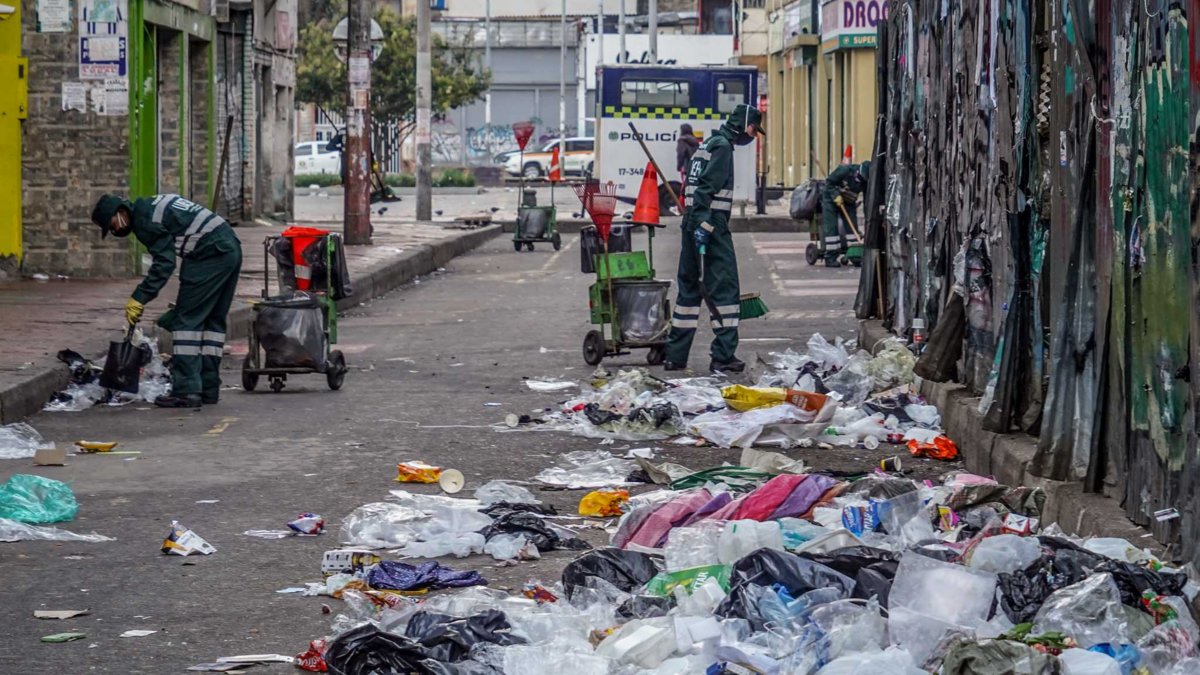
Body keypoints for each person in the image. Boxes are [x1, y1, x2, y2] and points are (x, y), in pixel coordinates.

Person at [91, 193, 243, 408]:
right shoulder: (149, 205)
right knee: (212, 322)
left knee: (185, 323)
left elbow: (165, 263)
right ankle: (209, 388)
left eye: (112, 224)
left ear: (120, 212)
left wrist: (139, 297)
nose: (115, 230)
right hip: (229, 248)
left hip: (208, 254)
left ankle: (187, 390)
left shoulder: (144, 220)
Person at [663, 103, 765, 374]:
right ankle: (723, 355)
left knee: (689, 290)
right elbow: (707, 188)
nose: (753, 136)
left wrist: (696, 221)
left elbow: (694, 188)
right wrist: (706, 224)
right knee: (725, 289)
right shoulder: (722, 148)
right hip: (711, 225)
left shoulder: (707, 144)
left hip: (690, 223)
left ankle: (675, 355)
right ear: (745, 124)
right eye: (754, 130)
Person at [819, 161, 870, 267]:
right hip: (830, 200)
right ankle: (830, 257)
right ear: (858, 171)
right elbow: (829, 183)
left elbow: (867, 198)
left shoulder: (867, 180)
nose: (860, 181)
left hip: (848, 201)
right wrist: (835, 195)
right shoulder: (845, 170)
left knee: (852, 229)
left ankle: (855, 255)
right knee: (831, 229)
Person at [675, 123, 701, 188]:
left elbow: (681, 154)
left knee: (686, 186)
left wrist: (679, 166)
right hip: (696, 167)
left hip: (687, 167)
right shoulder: (695, 141)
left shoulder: (682, 140)